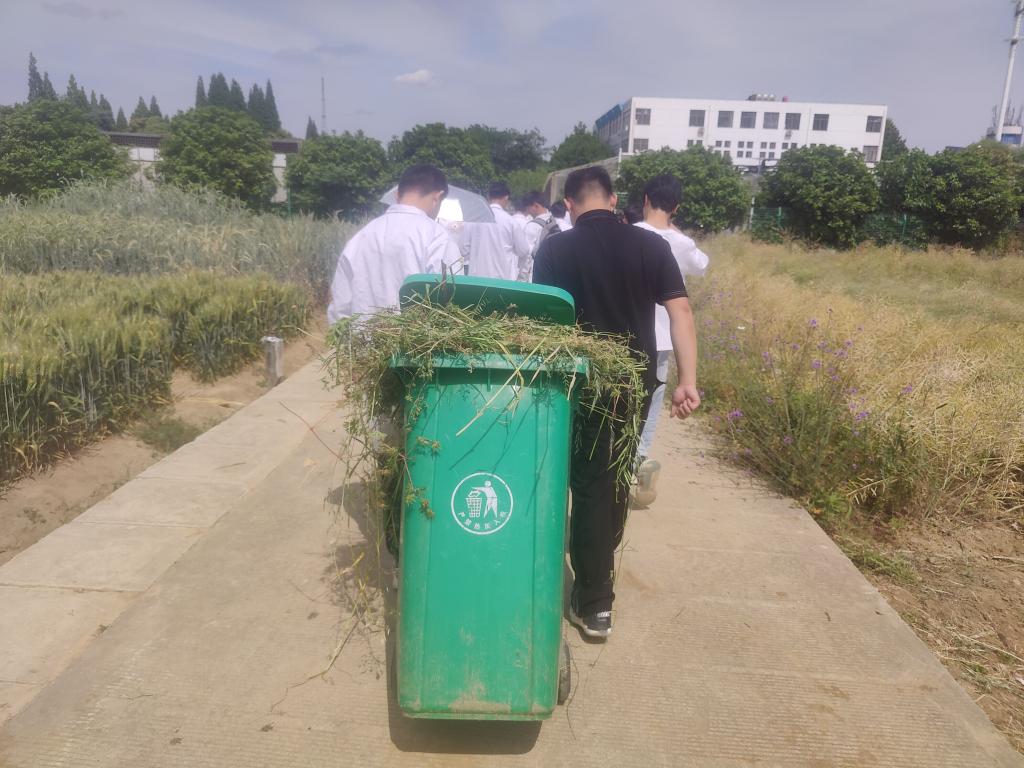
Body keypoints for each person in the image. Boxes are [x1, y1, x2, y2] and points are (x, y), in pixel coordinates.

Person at [533, 166, 700, 640]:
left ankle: (595, 603)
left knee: (588, 482)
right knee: (614, 472)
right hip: (633, 381)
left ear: (569, 205)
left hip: (576, 380)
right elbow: (681, 311)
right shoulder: (652, 246)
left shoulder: (555, 249)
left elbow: (541, 321)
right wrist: (687, 380)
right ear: (612, 199)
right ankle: (600, 557)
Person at [633, 174, 709, 474]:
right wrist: (675, 229)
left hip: (627, 329)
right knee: (651, 405)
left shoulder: (630, 233)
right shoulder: (682, 243)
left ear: (645, 199)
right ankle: (637, 463)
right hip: (663, 336)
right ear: (676, 207)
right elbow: (702, 265)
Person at [327, 164, 461, 323]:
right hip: (414, 338)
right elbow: (451, 303)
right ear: (437, 197)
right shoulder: (436, 237)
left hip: (360, 338)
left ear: (397, 195)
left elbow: (340, 309)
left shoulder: (360, 237)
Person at [462, 181, 521, 281]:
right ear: (506, 197)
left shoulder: (473, 219)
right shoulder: (510, 221)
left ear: (489, 197)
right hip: (502, 279)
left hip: (476, 278)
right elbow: (523, 251)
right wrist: (521, 276)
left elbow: (464, 249)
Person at [520, 191, 561, 281]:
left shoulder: (532, 226)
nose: (528, 212)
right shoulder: (556, 222)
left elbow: (527, 255)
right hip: (554, 272)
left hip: (536, 274)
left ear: (536, 206)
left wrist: (521, 279)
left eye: (528, 208)